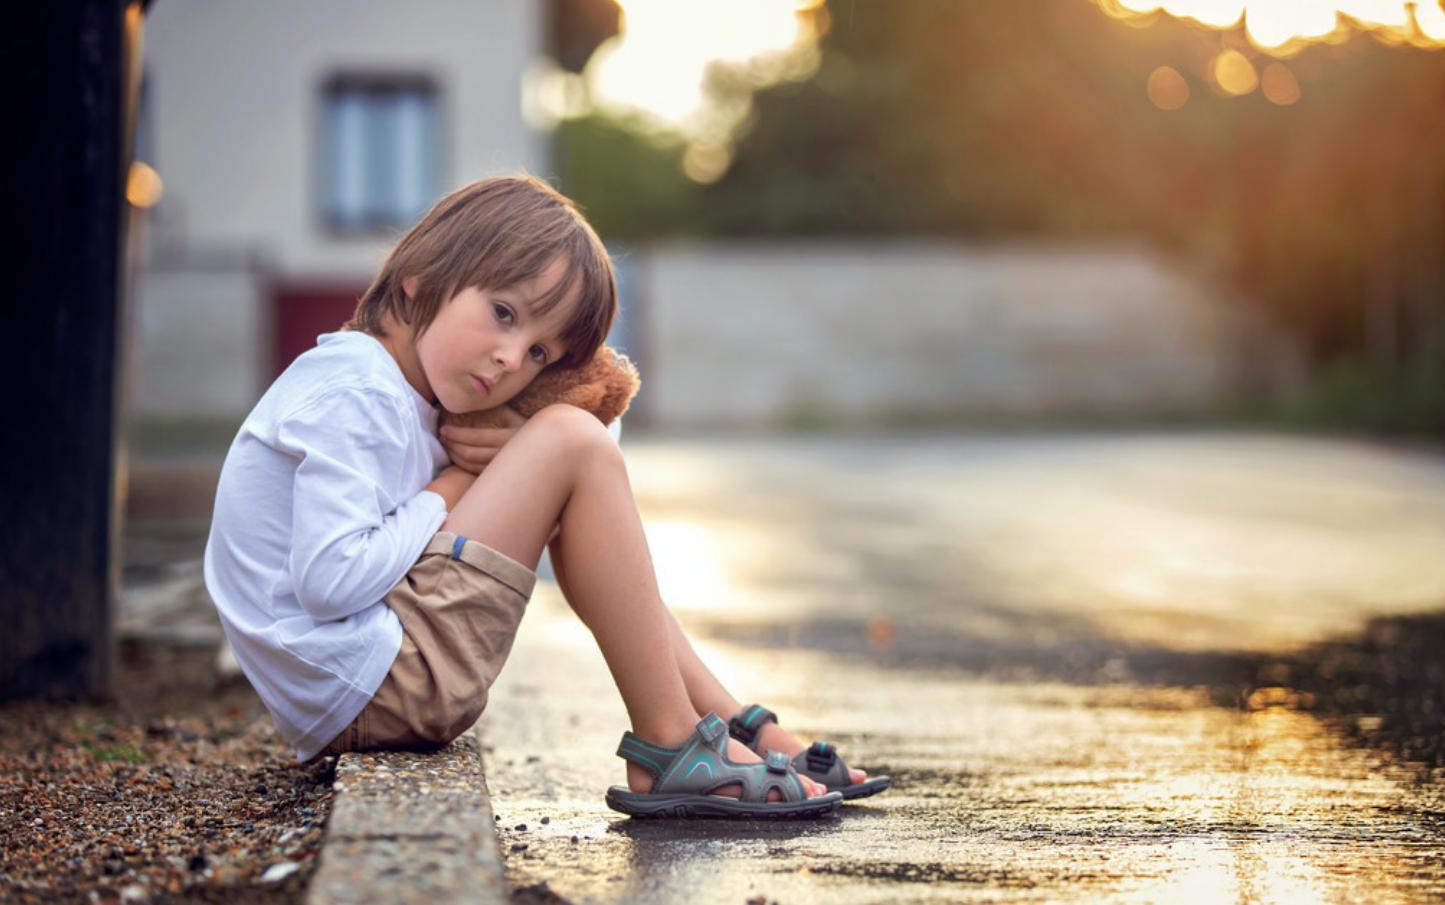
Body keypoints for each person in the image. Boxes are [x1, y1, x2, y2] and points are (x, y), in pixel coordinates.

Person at [204, 175, 880, 819]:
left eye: (537, 354)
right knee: (570, 442)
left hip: (370, 682)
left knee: (573, 446)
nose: (509, 358)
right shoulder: (354, 393)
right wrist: (452, 485)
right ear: (419, 277)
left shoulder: (413, 392)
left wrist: (518, 449)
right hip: (374, 686)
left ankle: (724, 722)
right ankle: (674, 742)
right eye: (503, 314)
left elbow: (592, 482)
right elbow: (329, 580)